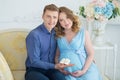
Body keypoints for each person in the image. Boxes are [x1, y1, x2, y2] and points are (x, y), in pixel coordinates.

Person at [25, 4, 73, 80]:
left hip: (51, 70)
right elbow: (34, 61)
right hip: (34, 70)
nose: (51, 21)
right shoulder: (34, 35)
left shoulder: (57, 33)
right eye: (48, 16)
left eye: (54, 17)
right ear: (43, 16)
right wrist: (55, 66)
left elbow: (69, 43)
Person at [55, 6, 102, 80]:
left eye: (67, 17)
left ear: (72, 17)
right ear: (58, 22)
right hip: (67, 74)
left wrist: (83, 71)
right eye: (61, 20)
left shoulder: (83, 32)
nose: (66, 22)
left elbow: (91, 53)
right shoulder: (59, 36)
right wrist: (60, 68)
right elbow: (57, 56)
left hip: (85, 71)